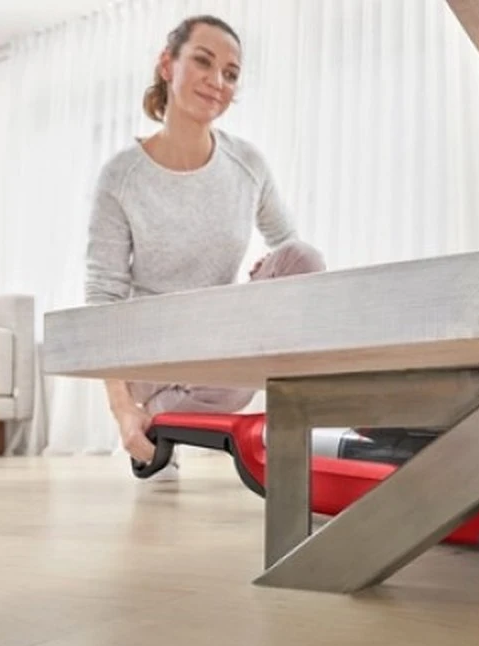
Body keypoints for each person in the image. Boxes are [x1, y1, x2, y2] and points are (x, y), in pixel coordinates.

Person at [83, 15, 325, 477]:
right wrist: (122, 410)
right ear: (167, 65)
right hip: (150, 349)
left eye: (230, 73)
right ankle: (153, 417)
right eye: (203, 61)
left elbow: (291, 251)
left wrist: (268, 279)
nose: (217, 81)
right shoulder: (121, 177)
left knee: (304, 260)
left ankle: (166, 421)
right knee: (233, 375)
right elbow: (102, 301)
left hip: (217, 338)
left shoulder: (247, 163)